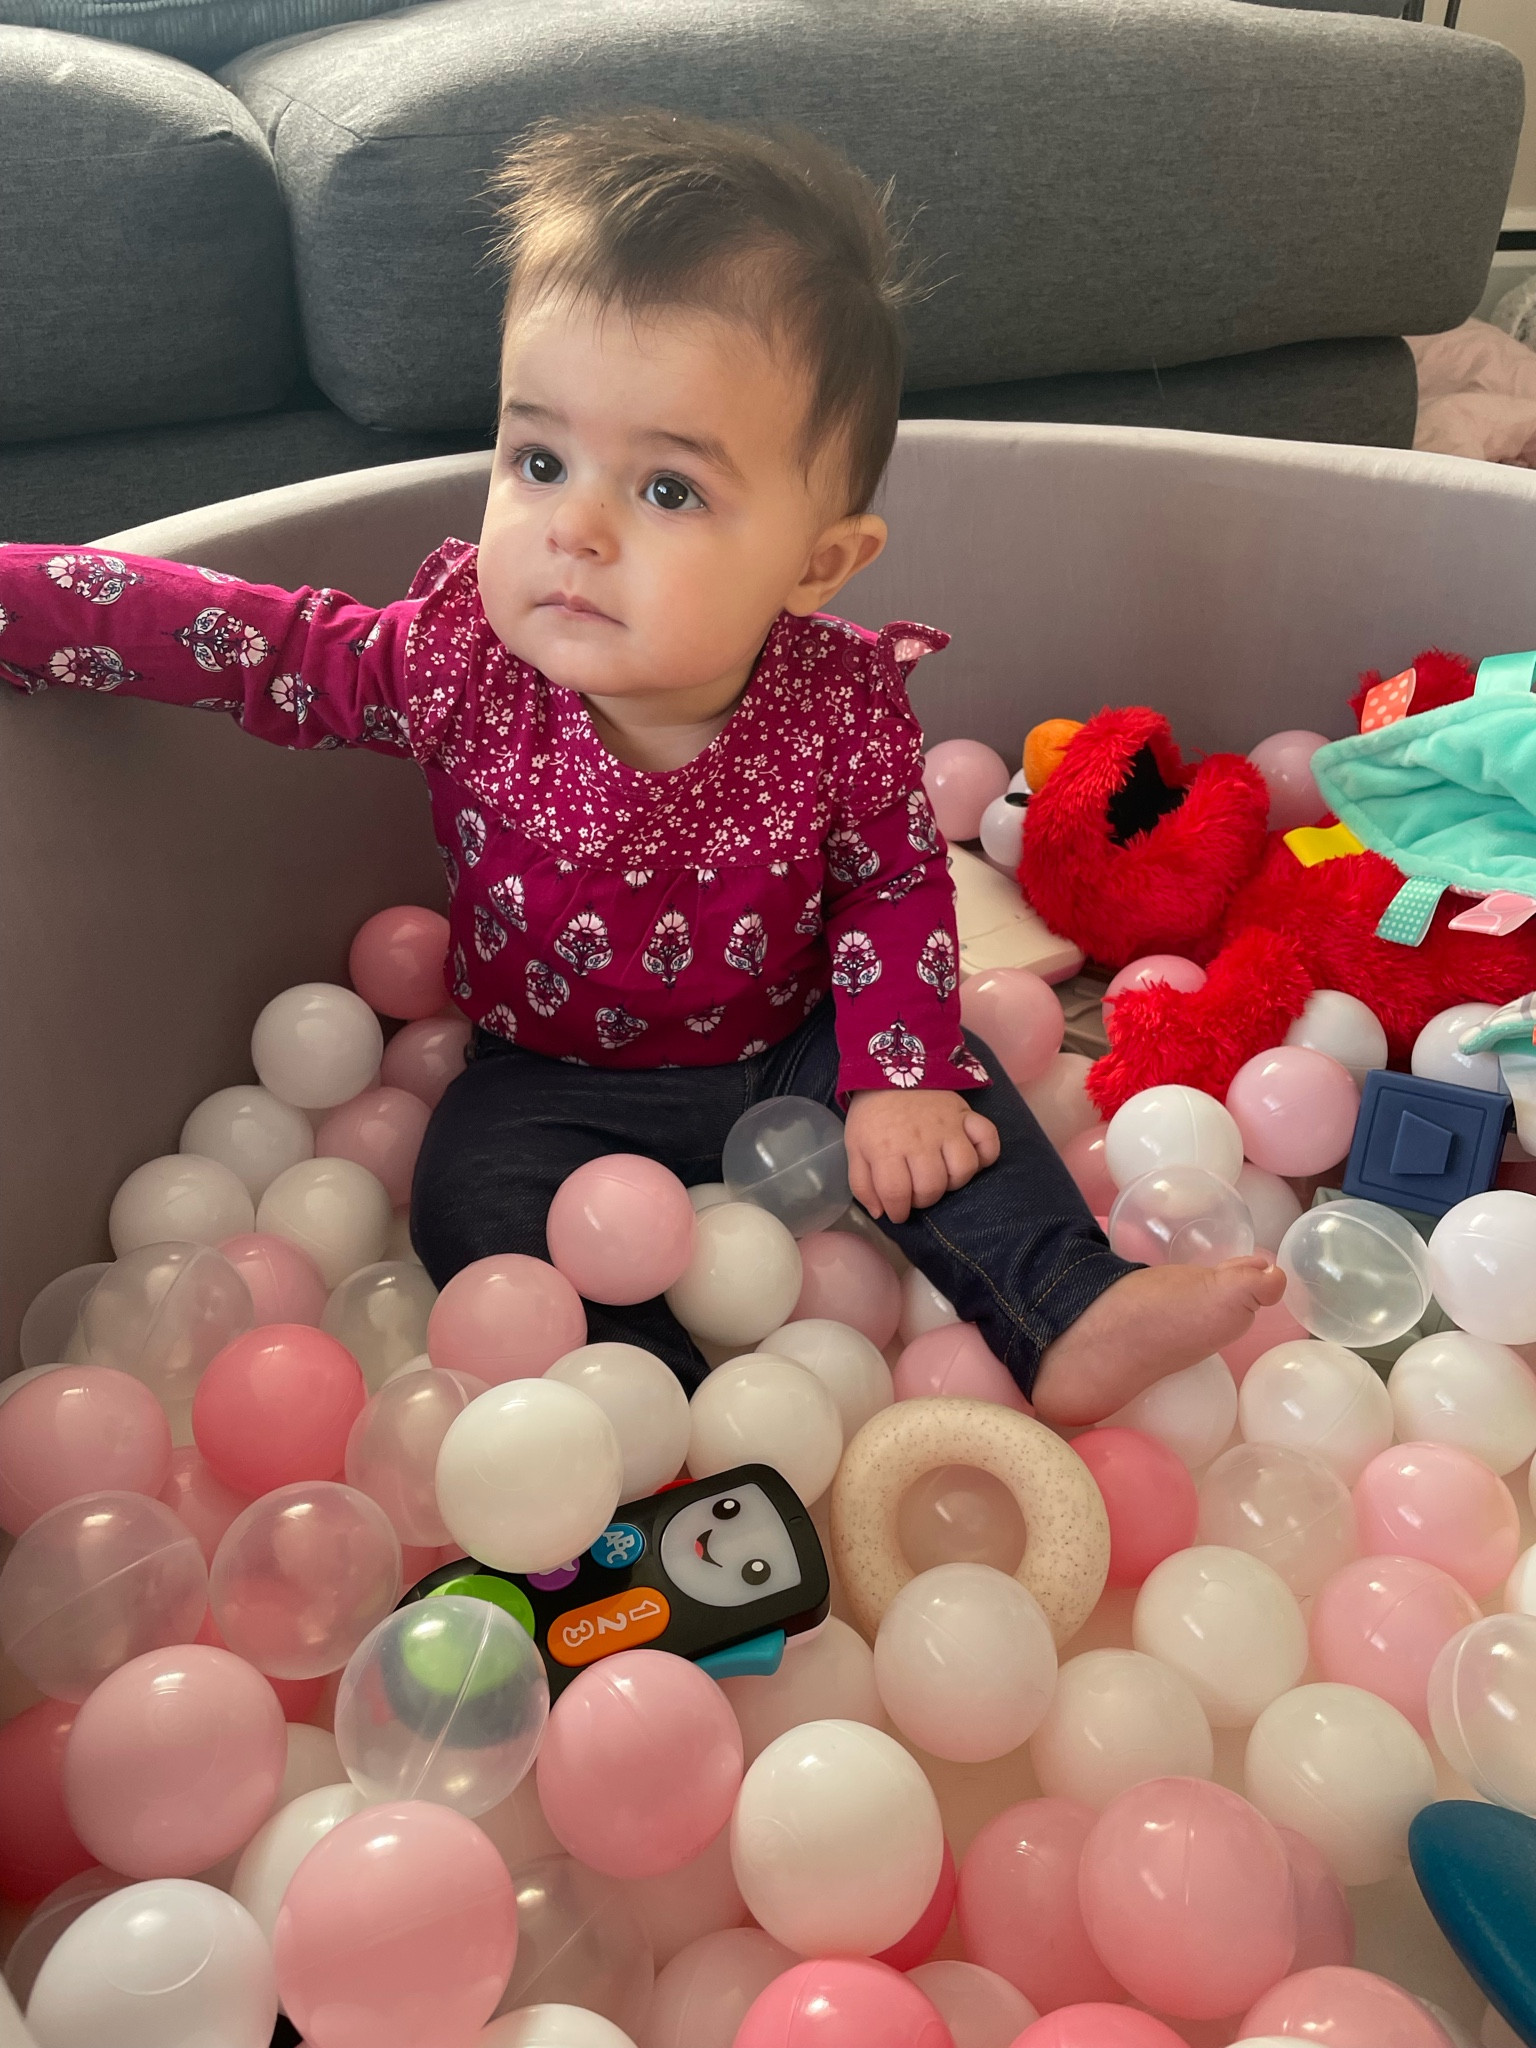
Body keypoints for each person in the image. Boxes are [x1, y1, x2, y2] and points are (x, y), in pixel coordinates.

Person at [0, 108, 1283, 1422]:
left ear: (818, 562)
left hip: (797, 1046)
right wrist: (23, 602)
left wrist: (892, 1074)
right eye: (539, 459)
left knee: (958, 1100)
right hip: (545, 1080)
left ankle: (1065, 1306)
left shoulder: (837, 707)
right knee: (467, 1194)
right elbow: (241, 642)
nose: (577, 528)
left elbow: (893, 887)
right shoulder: (457, 662)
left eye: (668, 489)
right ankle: (651, 1394)